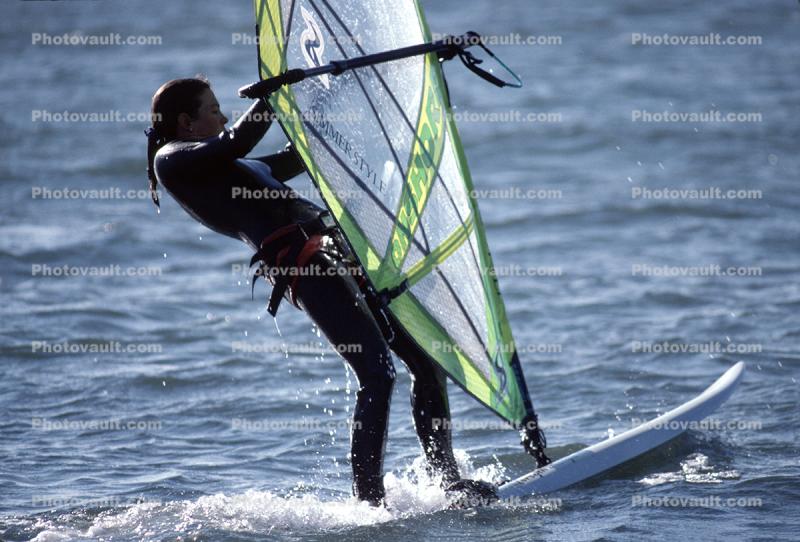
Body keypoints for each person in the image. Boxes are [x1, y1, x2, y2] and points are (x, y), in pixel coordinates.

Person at [146, 76, 502, 507]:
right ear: (186, 122)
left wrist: (343, 94)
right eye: (213, 109)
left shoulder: (227, 166)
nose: (221, 116)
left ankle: (448, 480)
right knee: (376, 372)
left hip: (334, 249)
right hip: (303, 265)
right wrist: (273, 96)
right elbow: (234, 140)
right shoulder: (173, 160)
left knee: (426, 362)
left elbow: (301, 155)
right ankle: (370, 505)